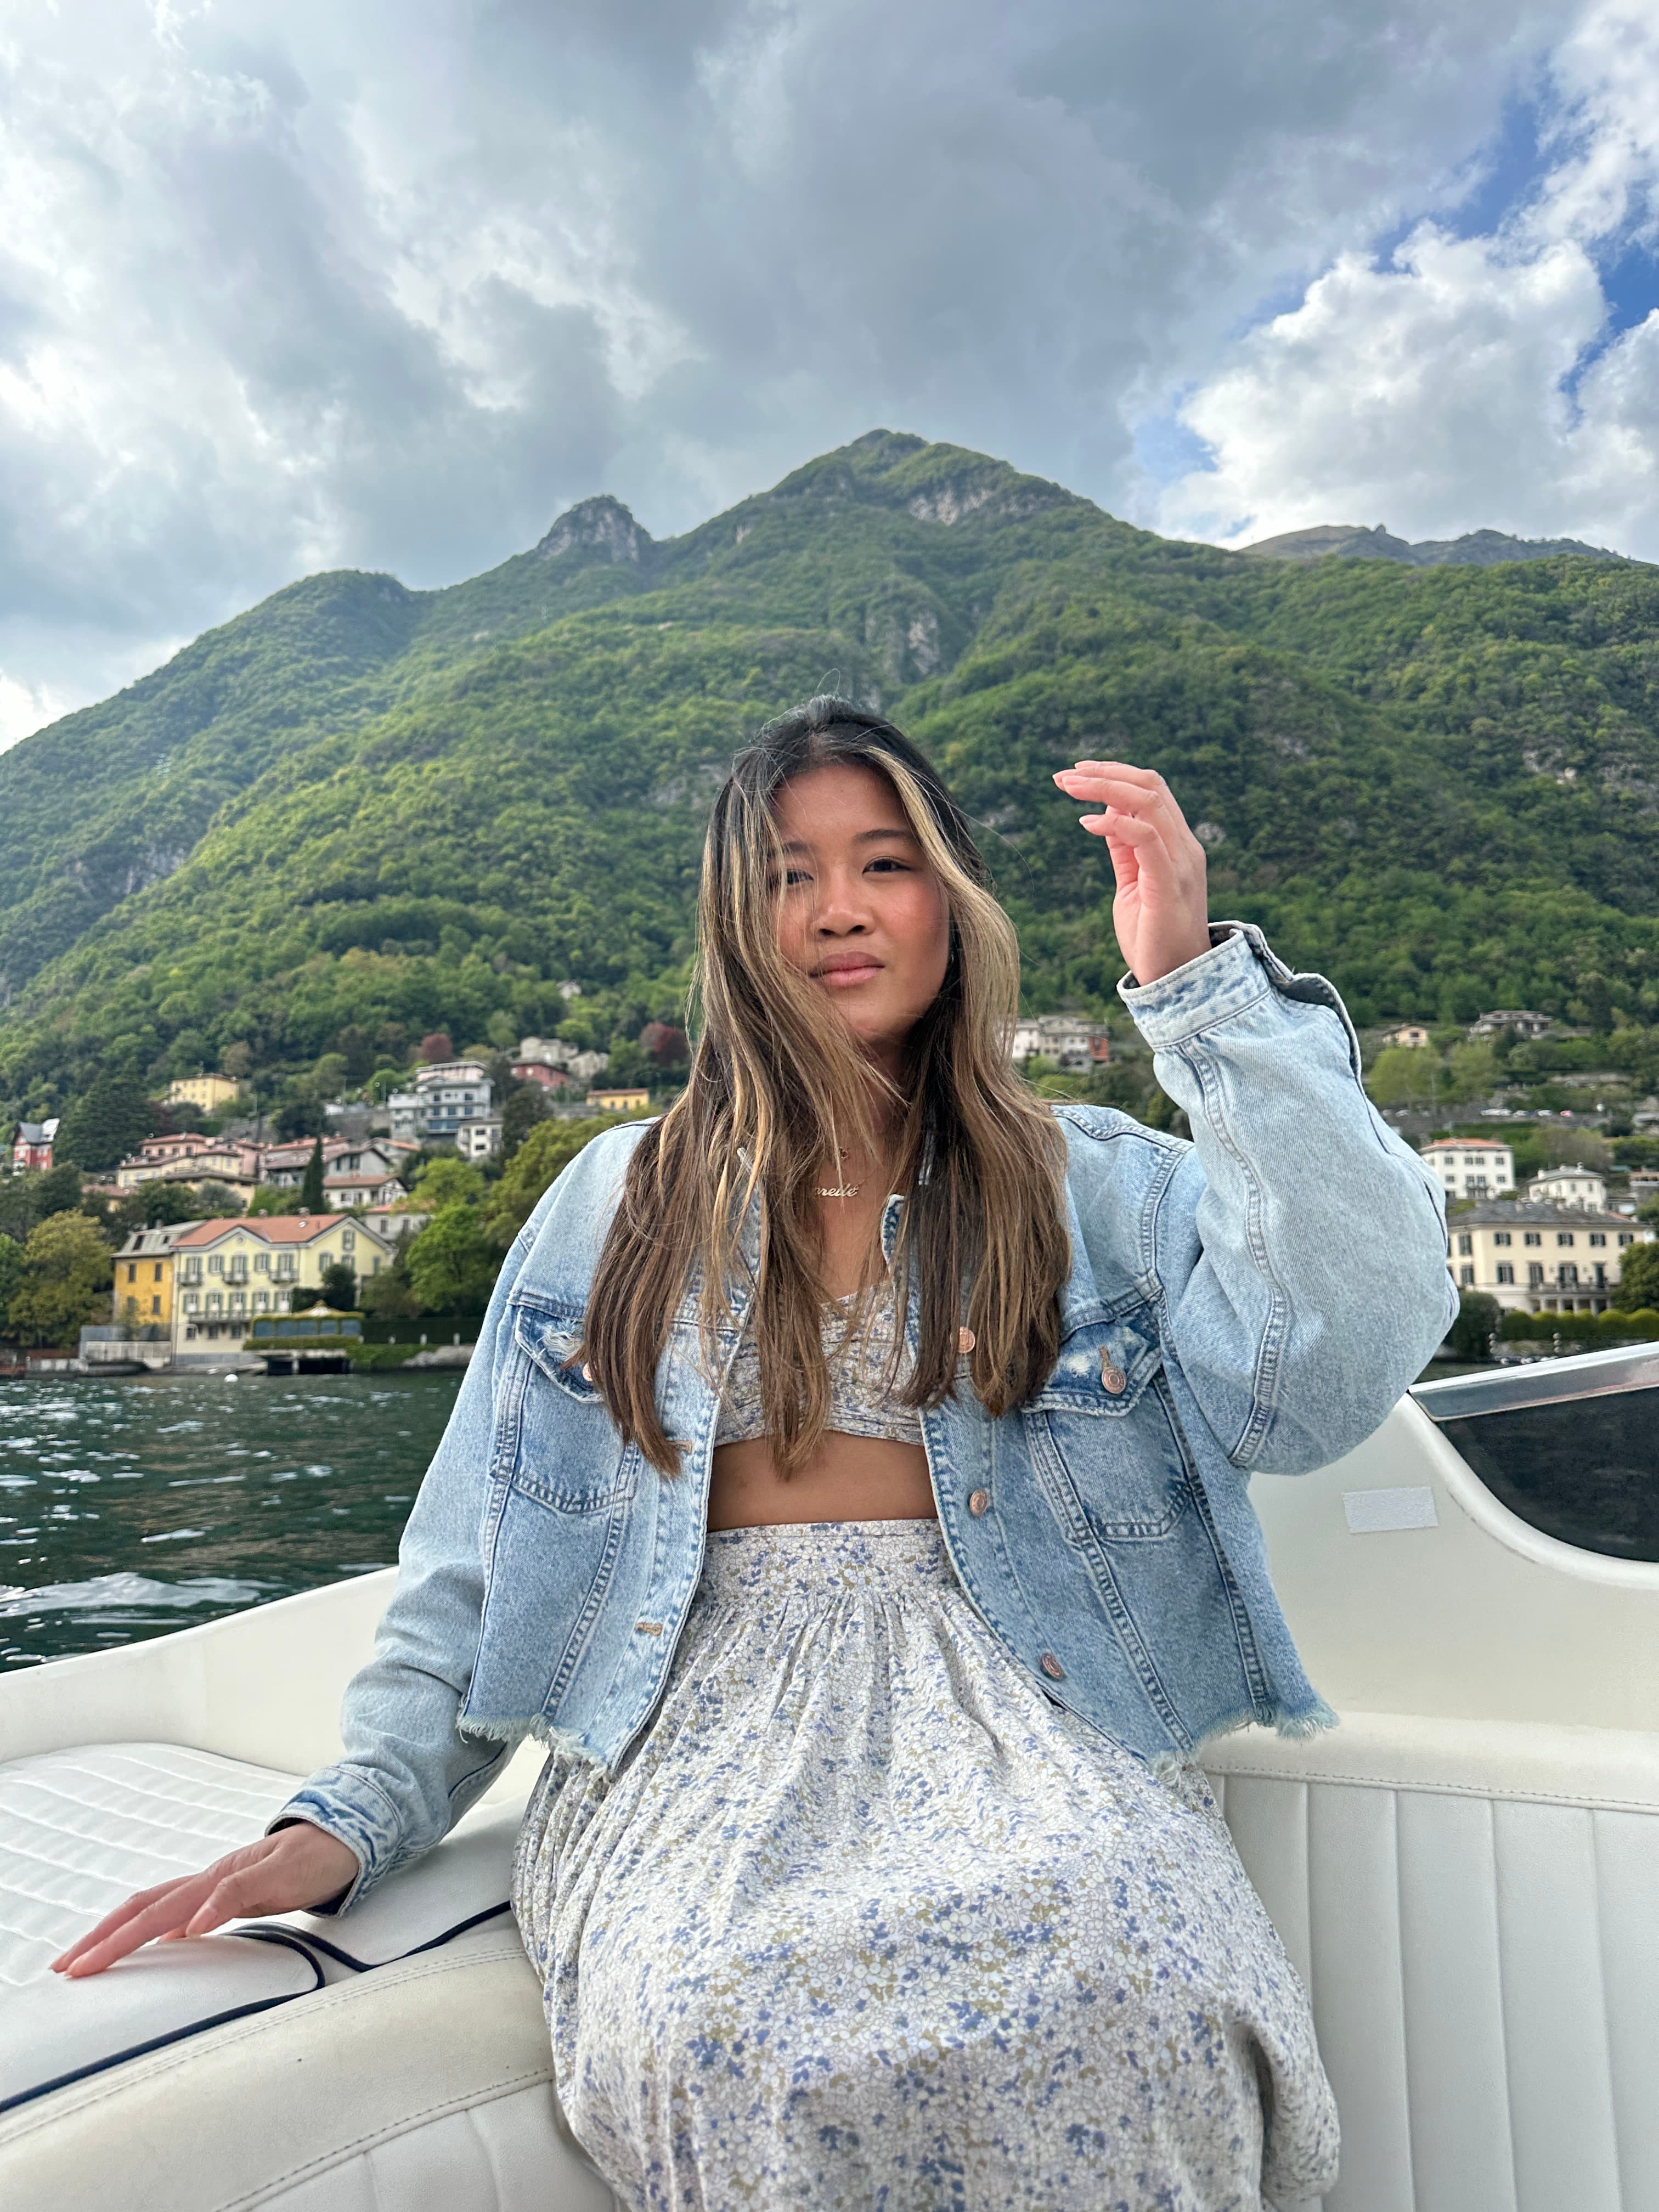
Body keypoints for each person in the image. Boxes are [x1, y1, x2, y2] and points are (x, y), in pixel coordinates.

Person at [56, 697, 1456, 2208]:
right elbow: (478, 1563)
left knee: (1139, 1985)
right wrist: (347, 1817)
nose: (841, 910)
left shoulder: (1098, 1184)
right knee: (737, 2021)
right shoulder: (613, 1201)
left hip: (1035, 1715)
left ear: (952, 904)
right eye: (790, 874)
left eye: (885, 863)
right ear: (737, 919)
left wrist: (1198, 996)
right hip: (696, 1735)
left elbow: (1323, 1377)